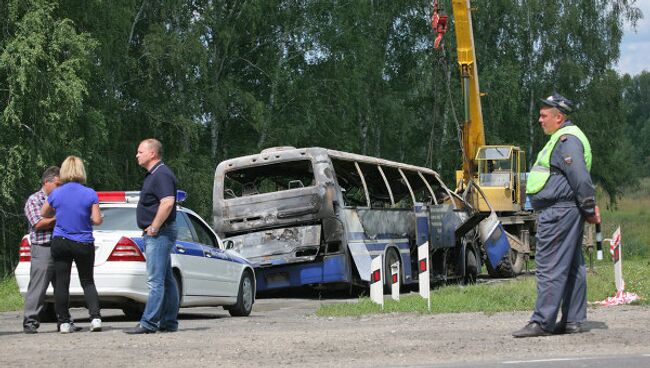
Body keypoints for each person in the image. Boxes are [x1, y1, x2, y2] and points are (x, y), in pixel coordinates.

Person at [513, 92, 601, 338]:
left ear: (558, 117)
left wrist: (588, 207)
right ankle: (572, 320)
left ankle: (543, 322)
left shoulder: (565, 140)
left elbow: (580, 178)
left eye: (544, 116)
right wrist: (586, 207)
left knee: (549, 265)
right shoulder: (563, 139)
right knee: (573, 266)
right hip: (565, 210)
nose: (540, 120)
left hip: (559, 212)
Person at [42, 156, 103, 334]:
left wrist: (59, 212)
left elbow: (43, 213)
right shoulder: (90, 193)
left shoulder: (56, 193)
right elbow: (97, 220)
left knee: (62, 282)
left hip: (60, 241)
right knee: (87, 281)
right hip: (83, 241)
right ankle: (96, 318)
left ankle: (64, 322)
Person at [126, 138, 179, 334]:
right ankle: (169, 322)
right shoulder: (154, 174)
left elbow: (167, 202)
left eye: (140, 152)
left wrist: (155, 227)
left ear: (152, 154)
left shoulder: (162, 174)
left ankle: (148, 323)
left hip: (160, 232)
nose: (137, 155)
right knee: (166, 280)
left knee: (155, 280)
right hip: (161, 231)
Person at [22, 167, 61, 333]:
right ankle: (30, 321)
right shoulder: (34, 200)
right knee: (38, 288)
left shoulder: (61, 198)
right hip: (43, 248)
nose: (61, 188)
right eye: (58, 184)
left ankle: (65, 320)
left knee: (62, 287)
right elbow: (38, 224)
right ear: (47, 182)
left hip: (60, 247)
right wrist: (60, 216)